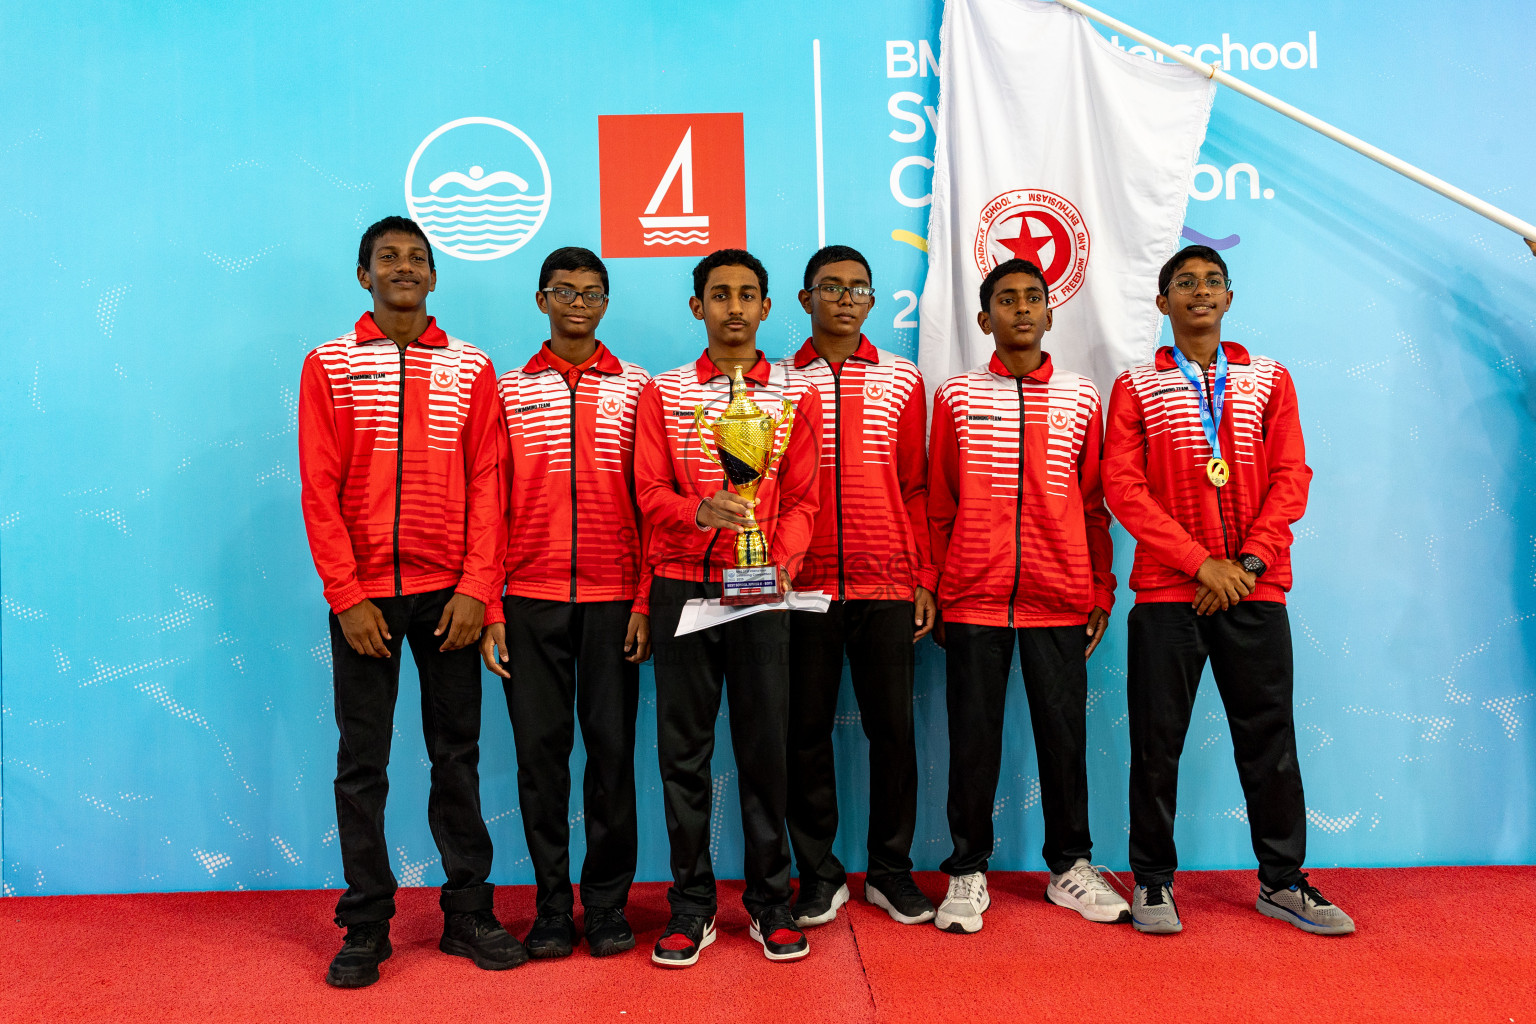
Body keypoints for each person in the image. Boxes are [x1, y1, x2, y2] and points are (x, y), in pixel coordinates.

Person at [1101, 244, 1355, 936]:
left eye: (1213, 281)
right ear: (1163, 304)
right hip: (1166, 595)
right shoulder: (1135, 386)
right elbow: (1123, 487)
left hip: (1255, 589)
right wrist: (1197, 563)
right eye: (1184, 283)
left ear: (1229, 299)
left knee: (1268, 740)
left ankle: (1282, 881)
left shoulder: (1269, 379)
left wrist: (1243, 564)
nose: (1200, 292)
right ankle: (1152, 881)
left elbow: (1291, 477)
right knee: (1157, 744)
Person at [298, 215, 523, 988]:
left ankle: (468, 913)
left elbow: (490, 482)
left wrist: (475, 588)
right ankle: (365, 926)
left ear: (434, 278)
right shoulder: (328, 365)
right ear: (364, 276)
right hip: (364, 602)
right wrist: (347, 595)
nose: (403, 267)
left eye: (416, 258)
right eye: (387, 257)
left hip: (448, 600)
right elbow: (319, 488)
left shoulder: (471, 368)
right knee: (362, 766)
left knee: (455, 758)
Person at [633, 249, 822, 966]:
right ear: (697, 308)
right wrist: (696, 512)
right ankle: (692, 907)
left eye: (747, 295)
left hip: (760, 588)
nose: (734, 308)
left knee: (764, 748)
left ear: (767, 308)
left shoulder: (792, 397)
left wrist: (781, 561)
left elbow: (804, 500)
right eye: (720, 295)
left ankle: (772, 903)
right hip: (682, 583)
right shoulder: (666, 392)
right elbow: (649, 493)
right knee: (684, 752)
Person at [927, 257, 1126, 934]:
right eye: (1005, 300)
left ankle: (1070, 867)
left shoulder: (1080, 397)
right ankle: (967, 870)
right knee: (972, 742)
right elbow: (939, 506)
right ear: (984, 320)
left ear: (1049, 312)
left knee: (1064, 741)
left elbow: (1094, 505)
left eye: (1031, 298)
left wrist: (1098, 586)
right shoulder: (955, 396)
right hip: (974, 600)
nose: (1020, 308)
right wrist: (939, 588)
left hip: (1059, 598)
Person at [478, 247, 652, 959]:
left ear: (606, 302)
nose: (578, 303)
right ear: (541, 299)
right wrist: (491, 606)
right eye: (564, 291)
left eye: (591, 292)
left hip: (615, 602)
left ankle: (607, 906)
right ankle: (552, 908)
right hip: (530, 602)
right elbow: (486, 501)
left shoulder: (638, 389)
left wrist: (643, 600)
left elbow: (650, 501)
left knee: (612, 757)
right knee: (539, 760)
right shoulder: (509, 391)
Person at [777, 245, 936, 928]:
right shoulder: (777, 382)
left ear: (871, 301)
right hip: (801, 587)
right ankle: (818, 874)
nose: (845, 298)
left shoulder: (902, 379)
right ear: (805, 298)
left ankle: (891, 872)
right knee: (803, 733)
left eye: (858, 288)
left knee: (893, 733)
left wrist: (923, 575)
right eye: (830, 287)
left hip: (885, 585)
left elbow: (917, 487)